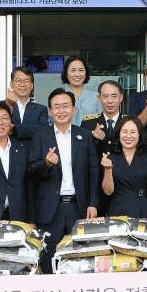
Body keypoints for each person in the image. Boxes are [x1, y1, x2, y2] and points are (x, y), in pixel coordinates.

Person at [29, 88, 99, 275]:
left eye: (66, 106)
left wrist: (93, 203)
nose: (61, 111)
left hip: (79, 207)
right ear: (50, 110)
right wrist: (46, 164)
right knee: (48, 261)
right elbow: (31, 173)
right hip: (50, 210)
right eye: (57, 107)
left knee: (80, 260)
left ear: (74, 109)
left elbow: (93, 172)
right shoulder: (40, 136)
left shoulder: (84, 136)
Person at [101, 116, 147, 219]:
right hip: (117, 212)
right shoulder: (110, 159)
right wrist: (108, 169)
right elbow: (108, 191)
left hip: (141, 211)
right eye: (125, 132)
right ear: (119, 134)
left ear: (139, 135)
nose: (128, 136)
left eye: (133, 132)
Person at [81, 80, 125, 215]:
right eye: (105, 96)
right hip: (96, 187)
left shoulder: (128, 122)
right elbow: (82, 155)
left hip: (122, 185)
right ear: (99, 98)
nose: (110, 101)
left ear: (121, 98)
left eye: (114, 96)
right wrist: (93, 139)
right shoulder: (88, 123)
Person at [4, 66, 49, 141]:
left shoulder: (41, 109)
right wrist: (9, 105)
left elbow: (42, 131)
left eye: (26, 81)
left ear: (32, 85)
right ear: (11, 84)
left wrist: (14, 129)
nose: (22, 84)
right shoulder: (2, 106)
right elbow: (1, 127)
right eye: (18, 81)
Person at [61, 56, 101, 126]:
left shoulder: (96, 96)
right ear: (66, 73)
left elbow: (101, 121)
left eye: (81, 70)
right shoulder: (59, 97)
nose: (77, 74)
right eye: (73, 70)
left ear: (85, 73)